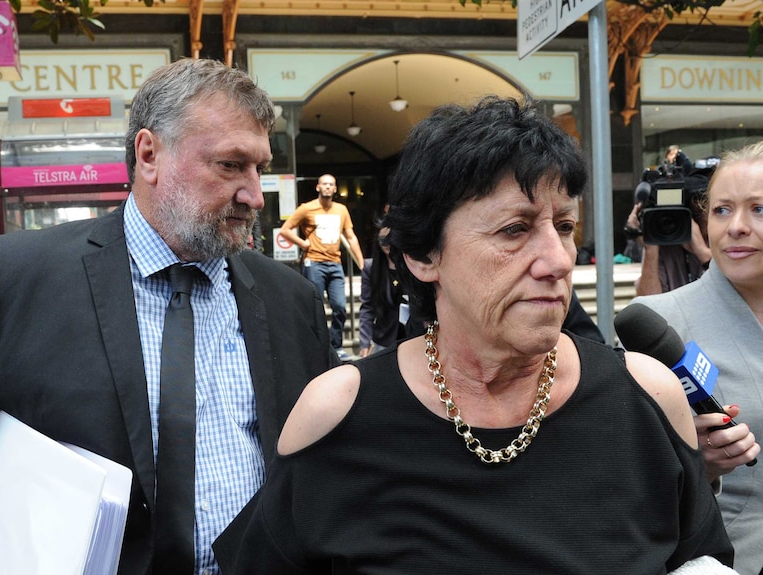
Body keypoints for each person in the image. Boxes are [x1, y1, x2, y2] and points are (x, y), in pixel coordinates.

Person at [214, 96, 733, 573]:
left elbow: (705, 561)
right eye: (514, 229)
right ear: (421, 254)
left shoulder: (648, 397)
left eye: (566, 227)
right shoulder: (335, 415)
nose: (557, 259)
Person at [0, 58, 336, 574]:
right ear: (149, 154)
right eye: (230, 165)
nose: (252, 194)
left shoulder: (288, 298)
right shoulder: (18, 277)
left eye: (259, 168)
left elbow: (331, 460)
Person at [632, 140, 763, 575]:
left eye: (758, 209)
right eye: (722, 210)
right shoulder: (657, 325)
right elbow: (623, 476)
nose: (737, 227)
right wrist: (695, 465)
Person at [279, 173, 364, 360]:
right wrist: (303, 244)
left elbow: (351, 237)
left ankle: (336, 346)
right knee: (314, 307)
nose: (327, 187)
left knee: (340, 306)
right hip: (314, 262)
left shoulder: (341, 210)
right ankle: (316, 346)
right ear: (318, 187)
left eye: (331, 184)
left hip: (335, 263)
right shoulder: (307, 208)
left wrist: (361, 263)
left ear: (335, 189)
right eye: (324, 184)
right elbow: (285, 230)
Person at [358, 226, 406, 357]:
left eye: (389, 239)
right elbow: (367, 307)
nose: (386, 244)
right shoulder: (370, 268)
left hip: (411, 335)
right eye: (382, 239)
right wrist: (364, 343)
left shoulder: (412, 265)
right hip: (384, 336)